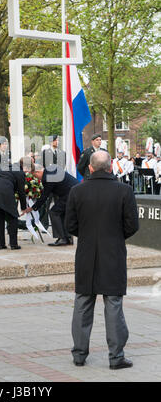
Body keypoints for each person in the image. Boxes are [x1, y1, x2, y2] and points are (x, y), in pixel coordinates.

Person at [65, 150, 139, 369]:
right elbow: (132, 225)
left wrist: (89, 236)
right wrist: (115, 237)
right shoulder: (124, 191)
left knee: (83, 302)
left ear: (89, 168)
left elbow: (70, 225)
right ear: (110, 168)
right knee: (113, 303)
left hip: (86, 253)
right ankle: (116, 357)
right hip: (113, 253)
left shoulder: (77, 191)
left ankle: (79, 354)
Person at [0, 157, 31, 250]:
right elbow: (21, 192)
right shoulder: (20, 172)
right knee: (13, 218)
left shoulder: (7, 166)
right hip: (3, 192)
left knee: (0, 216)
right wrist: (24, 208)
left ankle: (1, 244)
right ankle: (13, 244)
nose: (27, 172)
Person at [26, 165, 78, 246]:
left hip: (69, 194)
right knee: (62, 213)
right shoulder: (51, 171)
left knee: (54, 212)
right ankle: (68, 238)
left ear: (38, 172)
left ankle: (62, 238)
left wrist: (33, 208)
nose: (36, 178)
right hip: (74, 192)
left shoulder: (47, 177)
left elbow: (45, 195)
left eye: (35, 176)